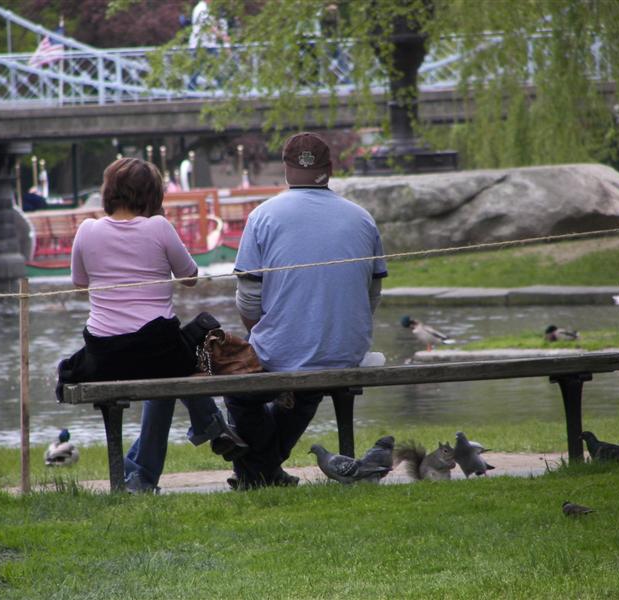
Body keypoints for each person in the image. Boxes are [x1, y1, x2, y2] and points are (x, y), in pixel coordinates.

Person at [56, 157, 246, 493]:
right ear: (153, 194)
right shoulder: (159, 228)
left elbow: (78, 283)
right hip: (159, 351)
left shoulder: (87, 230)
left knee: (167, 375)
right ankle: (212, 425)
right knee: (196, 335)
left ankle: (142, 477)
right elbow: (189, 278)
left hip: (105, 354)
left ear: (109, 192)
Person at [224, 132, 387, 489]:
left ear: (285, 169)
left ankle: (259, 472)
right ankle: (264, 474)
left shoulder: (262, 216)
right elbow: (372, 294)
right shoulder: (362, 218)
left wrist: (257, 336)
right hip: (346, 351)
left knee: (238, 393)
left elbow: (248, 298)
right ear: (329, 169)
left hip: (284, 352)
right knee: (305, 389)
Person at [188, 0, 229, 90]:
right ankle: (190, 89)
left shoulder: (207, 9)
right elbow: (209, 27)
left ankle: (221, 87)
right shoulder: (201, 8)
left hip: (207, 44)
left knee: (215, 66)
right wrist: (222, 36)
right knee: (199, 68)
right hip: (200, 44)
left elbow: (213, 25)